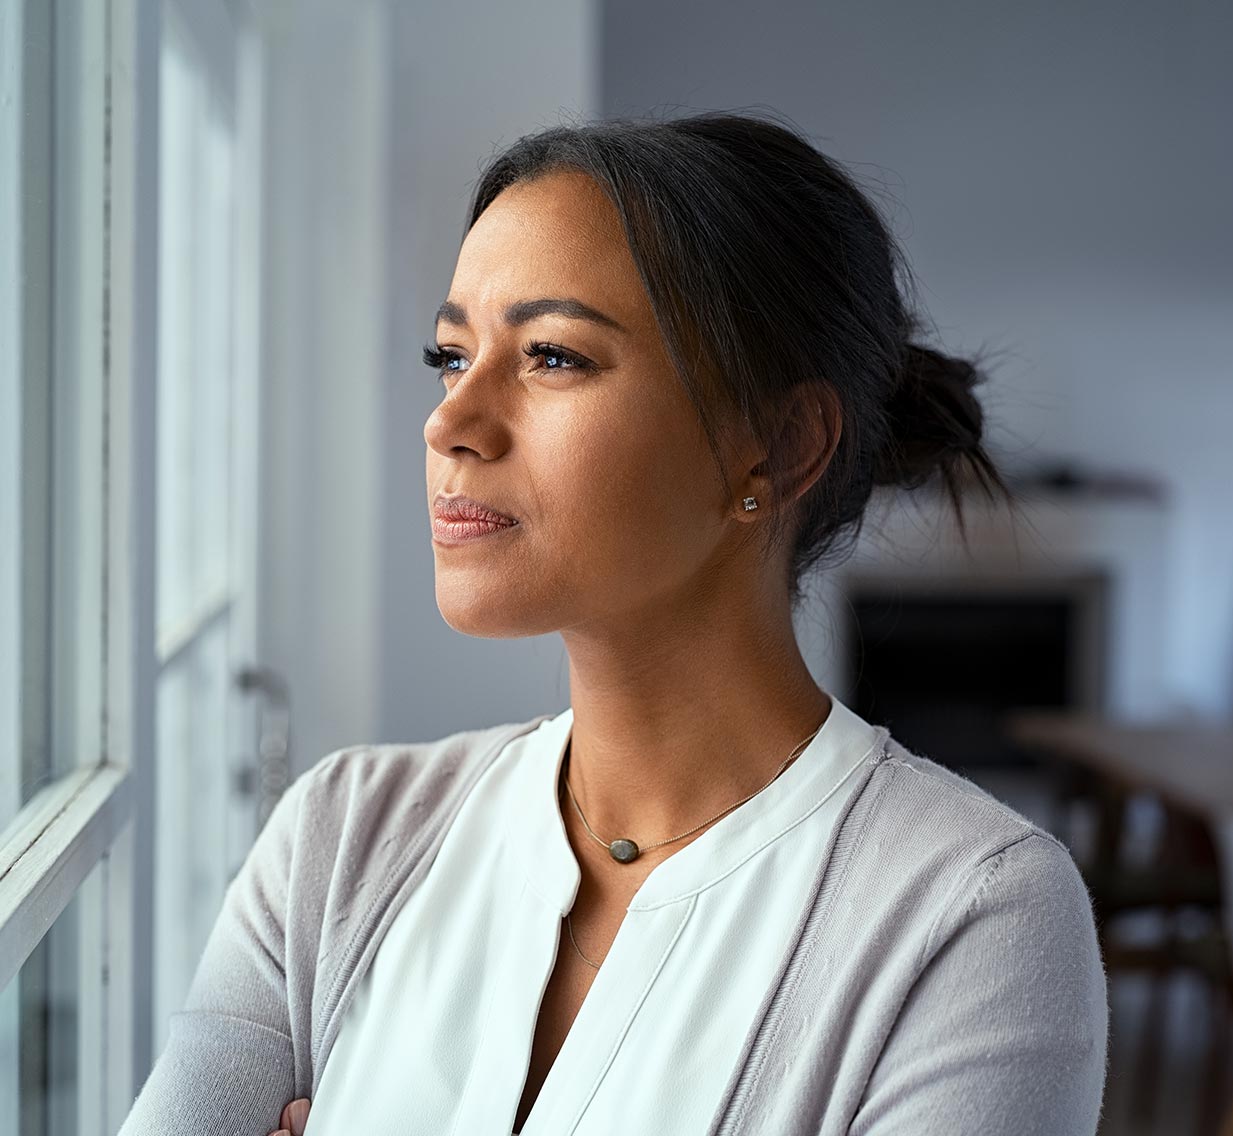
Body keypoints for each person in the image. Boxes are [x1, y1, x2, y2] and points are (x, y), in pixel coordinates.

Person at [124, 108, 1108, 1136]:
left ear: (776, 444)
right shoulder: (339, 839)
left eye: (552, 356)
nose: (450, 421)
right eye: (451, 355)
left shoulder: (973, 918)